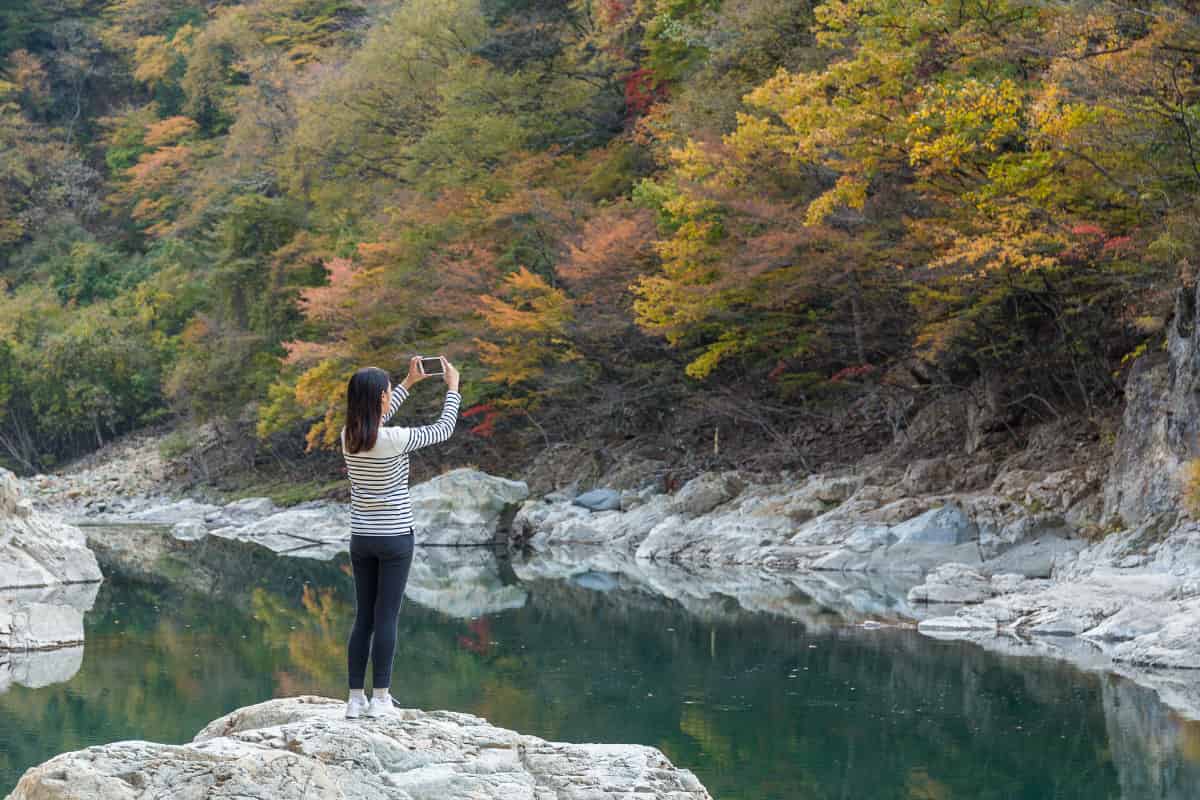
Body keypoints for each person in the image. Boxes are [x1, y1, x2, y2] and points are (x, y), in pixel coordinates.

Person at [339, 355, 461, 719]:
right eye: (389, 392)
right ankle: (381, 700)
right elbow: (443, 429)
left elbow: (378, 418)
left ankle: (355, 700)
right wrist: (453, 388)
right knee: (387, 617)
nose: (391, 396)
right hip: (394, 538)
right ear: (380, 398)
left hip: (362, 538)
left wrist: (408, 383)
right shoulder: (394, 439)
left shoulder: (349, 436)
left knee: (364, 617)